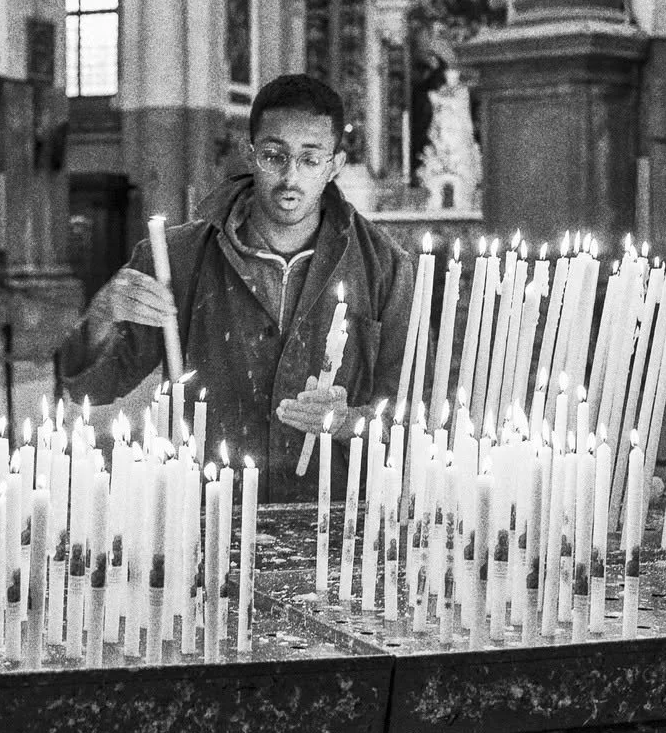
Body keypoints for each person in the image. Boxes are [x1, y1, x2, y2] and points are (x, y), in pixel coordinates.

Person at [55, 74, 413, 503]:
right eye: (274, 156)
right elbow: (89, 389)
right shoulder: (177, 258)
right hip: (211, 503)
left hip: (334, 507)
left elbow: (413, 410)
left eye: (310, 159)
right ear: (251, 153)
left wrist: (348, 420)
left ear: (335, 164)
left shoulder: (382, 267)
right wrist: (101, 316)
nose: (290, 177)